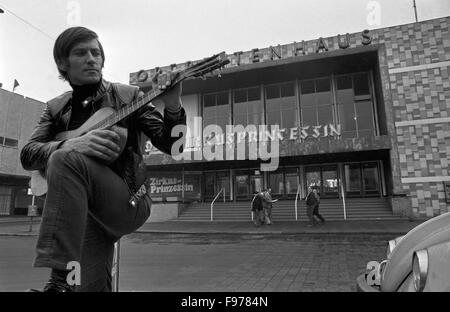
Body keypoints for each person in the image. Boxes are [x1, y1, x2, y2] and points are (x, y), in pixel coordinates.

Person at [20, 27, 186, 292]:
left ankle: (58, 283)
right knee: (91, 287)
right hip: (82, 213)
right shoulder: (55, 108)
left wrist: (174, 105)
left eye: (96, 53)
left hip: (129, 199)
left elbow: (174, 146)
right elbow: (28, 155)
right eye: (81, 53)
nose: (91, 58)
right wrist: (73, 143)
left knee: (65, 159)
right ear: (63, 63)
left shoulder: (128, 96)